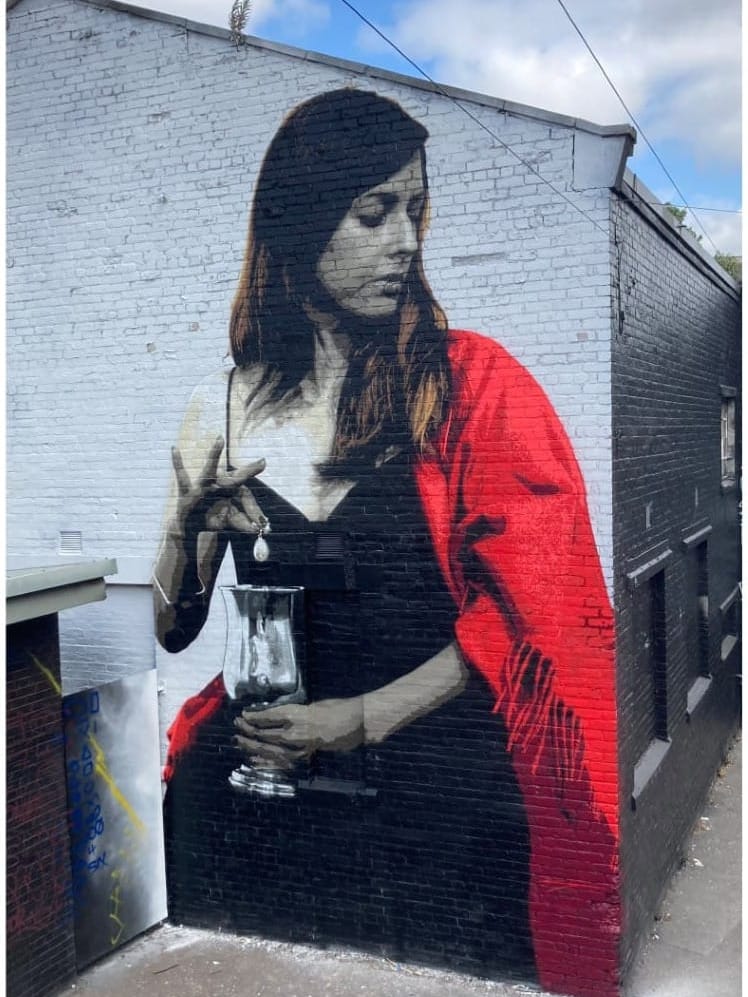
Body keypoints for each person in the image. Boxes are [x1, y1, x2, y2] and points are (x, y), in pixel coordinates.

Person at [154, 88, 620, 997]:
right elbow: (174, 631)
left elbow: (526, 615)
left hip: (437, 807)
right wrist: (185, 526)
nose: (406, 240)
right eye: (374, 212)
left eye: (414, 209)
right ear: (300, 222)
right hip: (259, 799)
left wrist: (357, 719)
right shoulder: (220, 407)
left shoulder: (473, 388)